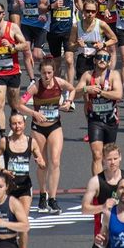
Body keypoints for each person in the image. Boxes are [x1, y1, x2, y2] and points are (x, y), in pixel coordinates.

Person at [21, 58, 75, 214]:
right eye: (44, 73)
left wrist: (69, 101)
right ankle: (42, 194)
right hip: (38, 128)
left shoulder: (59, 82)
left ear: (53, 72)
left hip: (54, 126)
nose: (46, 76)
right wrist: (33, 113)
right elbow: (19, 103)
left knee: (56, 161)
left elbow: (72, 89)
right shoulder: (35, 87)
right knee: (42, 164)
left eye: (49, 73)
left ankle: (53, 198)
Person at [0, 113, 45, 248]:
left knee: (23, 223)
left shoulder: (31, 142)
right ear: (10, 126)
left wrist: (41, 163)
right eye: (14, 124)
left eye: (20, 123)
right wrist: (3, 170)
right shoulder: (4, 142)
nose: (17, 126)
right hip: (9, 190)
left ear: (24, 124)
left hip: (24, 188)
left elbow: (42, 163)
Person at [76, 50, 123, 175]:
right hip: (94, 120)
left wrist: (100, 92)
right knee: (97, 155)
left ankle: (109, 183)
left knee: (109, 156)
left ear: (109, 62)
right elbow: (74, 93)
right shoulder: (87, 75)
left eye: (106, 58)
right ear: (94, 60)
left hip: (111, 120)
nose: (102, 60)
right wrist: (86, 88)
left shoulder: (114, 75)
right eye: (99, 57)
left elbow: (118, 94)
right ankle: (98, 187)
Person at [0, 1, 29, 138]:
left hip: (13, 72)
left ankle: (15, 115)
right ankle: (3, 135)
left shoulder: (13, 28)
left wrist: (12, 46)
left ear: (3, 14)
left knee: (13, 103)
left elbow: (25, 45)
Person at [46, 0, 78, 77]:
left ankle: (69, 91)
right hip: (54, 29)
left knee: (69, 60)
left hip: (69, 29)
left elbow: (79, 1)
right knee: (57, 62)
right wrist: (51, 6)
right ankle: (58, 88)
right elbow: (41, 8)